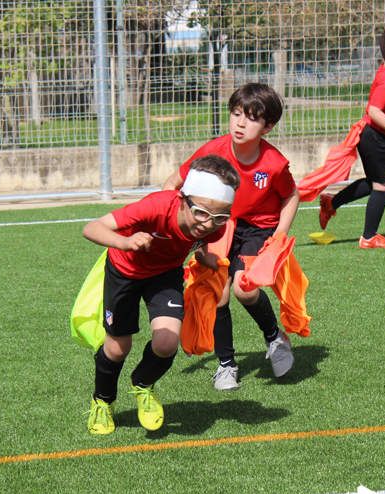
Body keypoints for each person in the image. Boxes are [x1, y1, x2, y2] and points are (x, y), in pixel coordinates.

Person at [83, 155, 239, 435]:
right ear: (182, 199)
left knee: (167, 343)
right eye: (201, 213)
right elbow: (92, 228)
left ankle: (142, 384)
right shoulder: (155, 206)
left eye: (219, 216)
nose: (208, 223)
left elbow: (199, 241)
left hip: (164, 275)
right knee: (118, 348)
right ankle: (102, 401)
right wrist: (126, 242)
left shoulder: (216, 226)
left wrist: (206, 260)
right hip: (124, 271)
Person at [164, 83, 299, 391]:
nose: (240, 123)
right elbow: (174, 182)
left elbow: (292, 195)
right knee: (219, 293)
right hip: (219, 224)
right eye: (236, 114)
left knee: (244, 289)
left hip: (258, 227)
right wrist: (169, 217)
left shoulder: (274, 163)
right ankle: (226, 365)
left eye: (251, 118)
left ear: (268, 127)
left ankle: (274, 337)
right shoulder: (213, 150)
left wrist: (279, 234)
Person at [317, 27, 385, 248]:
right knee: (382, 186)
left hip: (377, 138)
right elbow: (375, 111)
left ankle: (332, 203)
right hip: (377, 138)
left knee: (373, 182)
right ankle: (368, 237)